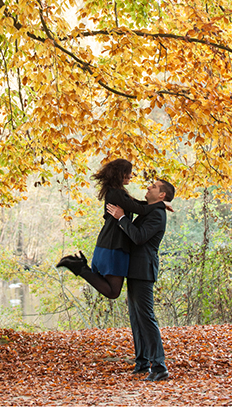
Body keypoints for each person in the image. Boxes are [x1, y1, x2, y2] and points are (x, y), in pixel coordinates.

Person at [106, 178, 175, 383]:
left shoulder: (157, 215)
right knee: (136, 319)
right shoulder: (151, 209)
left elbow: (138, 236)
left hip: (143, 271)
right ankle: (143, 362)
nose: (148, 187)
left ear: (162, 194)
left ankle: (159, 366)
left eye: (153, 187)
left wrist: (121, 218)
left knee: (146, 318)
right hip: (134, 270)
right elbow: (138, 205)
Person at [55, 158, 148, 299]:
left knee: (112, 291)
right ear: (120, 174)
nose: (131, 176)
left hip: (110, 245)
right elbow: (140, 209)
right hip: (114, 246)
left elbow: (138, 204)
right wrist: (160, 205)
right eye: (128, 173)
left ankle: (80, 266)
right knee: (113, 292)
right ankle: (79, 267)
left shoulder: (117, 193)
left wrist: (158, 204)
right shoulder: (116, 194)